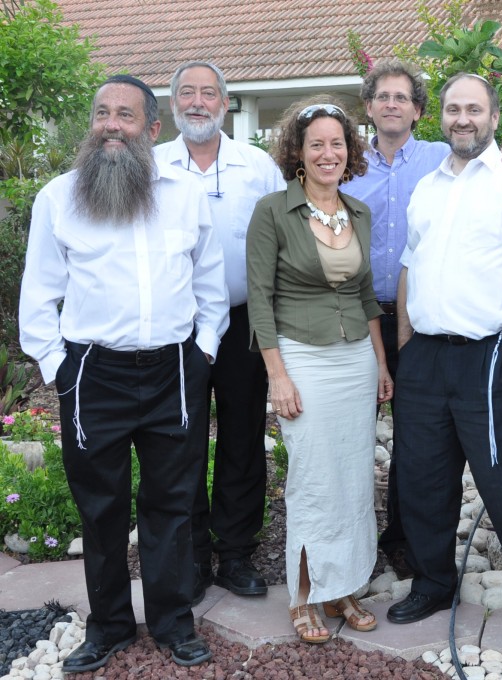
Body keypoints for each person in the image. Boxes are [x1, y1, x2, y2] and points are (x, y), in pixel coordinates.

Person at [19, 75, 228, 671]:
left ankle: (171, 623)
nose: (112, 124)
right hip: (92, 376)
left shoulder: (185, 196)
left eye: (126, 115)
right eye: (103, 113)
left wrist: (205, 350)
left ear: (152, 130)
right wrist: (61, 368)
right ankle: (108, 625)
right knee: (101, 508)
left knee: (172, 503)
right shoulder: (59, 198)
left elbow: (210, 283)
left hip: (174, 372)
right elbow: (38, 299)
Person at [386, 73, 502, 635]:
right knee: (421, 479)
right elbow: (410, 265)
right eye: (453, 109)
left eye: (474, 109)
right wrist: (405, 343)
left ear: (492, 117)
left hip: (492, 355)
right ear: (438, 115)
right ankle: (433, 583)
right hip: (425, 357)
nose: (463, 119)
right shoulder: (429, 185)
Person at [246, 96, 394, 643]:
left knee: (354, 477)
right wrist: (277, 375)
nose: (328, 153)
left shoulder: (359, 213)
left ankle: (344, 586)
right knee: (312, 479)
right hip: (301, 356)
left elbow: (365, 296)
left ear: (348, 151)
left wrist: (380, 364)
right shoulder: (273, 211)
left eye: (337, 143)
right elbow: (260, 300)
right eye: (317, 145)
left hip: (355, 358)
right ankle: (305, 595)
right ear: (298, 153)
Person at [155, 60, 286, 606]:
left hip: (243, 325)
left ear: (226, 103)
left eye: (209, 93)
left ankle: (234, 551)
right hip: (172, 329)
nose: (198, 102)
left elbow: (284, 240)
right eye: (187, 93)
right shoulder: (151, 166)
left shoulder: (256, 166)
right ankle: (189, 554)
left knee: (241, 439)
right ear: (173, 105)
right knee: (179, 442)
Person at [344, 59, 449, 574]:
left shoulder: (441, 158)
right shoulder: (347, 163)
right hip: (354, 319)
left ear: (417, 109)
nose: (391, 104)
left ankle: (403, 539)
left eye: (402, 97)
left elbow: (491, 164)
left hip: (415, 321)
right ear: (369, 107)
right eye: (382, 96)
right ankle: (350, 539)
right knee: (352, 430)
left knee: (416, 436)